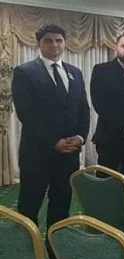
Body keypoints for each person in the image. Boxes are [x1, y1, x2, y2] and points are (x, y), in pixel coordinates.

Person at [12, 24, 90, 233]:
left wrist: (80, 137)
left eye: (59, 40)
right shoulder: (25, 72)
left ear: (65, 43)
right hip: (37, 153)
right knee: (29, 204)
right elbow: (26, 114)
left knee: (62, 203)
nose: (54, 45)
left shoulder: (75, 73)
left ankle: (55, 245)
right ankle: (28, 247)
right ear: (39, 44)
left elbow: (83, 109)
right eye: (48, 40)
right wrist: (53, 142)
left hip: (68, 153)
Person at [90, 33, 124, 190]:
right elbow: (101, 104)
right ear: (116, 48)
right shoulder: (101, 70)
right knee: (106, 184)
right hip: (109, 138)